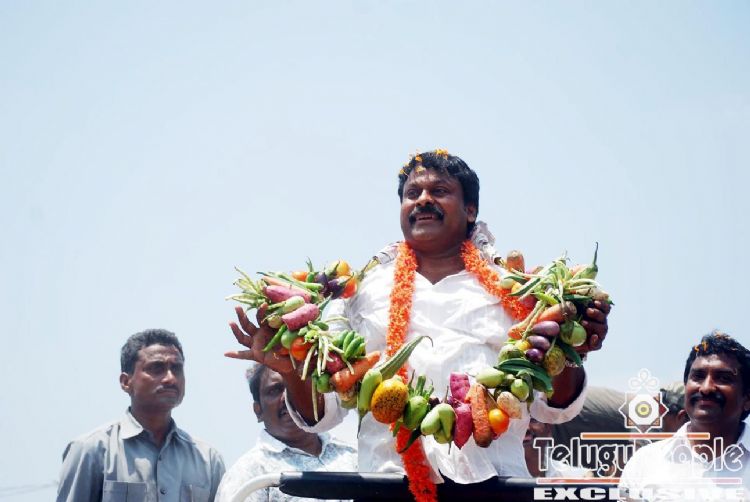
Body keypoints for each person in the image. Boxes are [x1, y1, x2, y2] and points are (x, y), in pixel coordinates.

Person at [227, 150, 611, 495]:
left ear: (471, 210)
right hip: (387, 484)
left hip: (494, 485)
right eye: (412, 193)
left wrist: (570, 350)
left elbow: (554, 409)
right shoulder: (361, 291)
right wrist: (291, 367)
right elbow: (323, 414)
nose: (423, 199)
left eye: (439, 190)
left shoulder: (518, 289)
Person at [57, 329, 225, 502]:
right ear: (126, 382)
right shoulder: (91, 450)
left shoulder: (208, 460)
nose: (170, 378)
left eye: (176, 369)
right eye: (156, 368)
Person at [618, 331, 750, 501]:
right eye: (698, 377)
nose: (706, 388)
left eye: (723, 378)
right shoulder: (644, 463)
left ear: (747, 398)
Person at [216, 364, 357, 502]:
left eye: (296, 386)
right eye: (275, 390)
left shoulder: (353, 455)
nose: (287, 397)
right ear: (258, 411)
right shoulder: (248, 472)